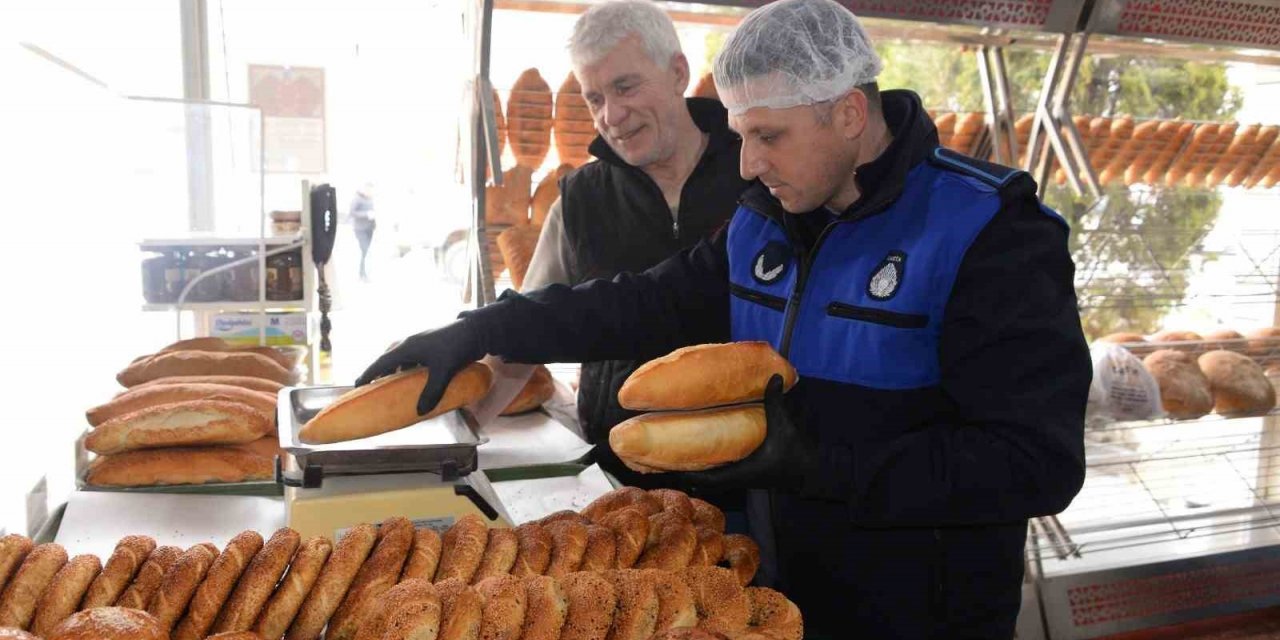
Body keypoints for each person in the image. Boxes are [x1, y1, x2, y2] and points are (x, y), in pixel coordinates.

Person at [360, 0, 1089, 636]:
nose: (746, 164)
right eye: (741, 135)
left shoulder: (989, 230)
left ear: (849, 113)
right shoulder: (765, 222)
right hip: (775, 596)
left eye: (768, 136)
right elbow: (640, 303)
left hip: (922, 614)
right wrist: (484, 329)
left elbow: (1037, 463)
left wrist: (822, 463)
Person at [519, 0, 749, 486]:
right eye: (594, 98)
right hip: (620, 477)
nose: (612, 115)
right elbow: (524, 331)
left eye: (625, 86)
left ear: (677, 72)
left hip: (754, 476)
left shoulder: (758, 175)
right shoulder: (578, 201)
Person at [349, 183, 376, 281]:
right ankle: (364, 274)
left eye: (371, 190)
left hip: (370, 228)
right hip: (360, 229)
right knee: (365, 250)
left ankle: (362, 273)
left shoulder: (371, 199)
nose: (370, 192)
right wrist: (366, 214)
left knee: (366, 251)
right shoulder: (357, 198)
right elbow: (352, 212)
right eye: (368, 189)